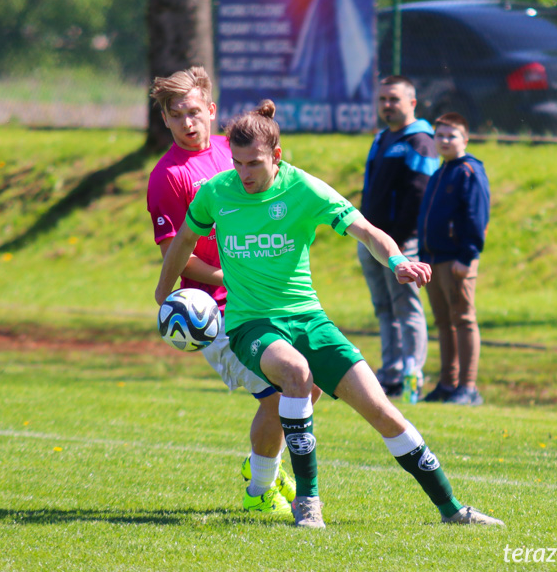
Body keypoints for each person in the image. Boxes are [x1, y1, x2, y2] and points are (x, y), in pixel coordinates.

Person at [155, 99, 504, 529]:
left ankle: (453, 509)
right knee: (296, 374)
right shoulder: (216, 192)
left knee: (384, 412)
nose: (244, 174)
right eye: (238, 163)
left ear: (277, 156)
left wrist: (396, 261)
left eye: (254, 164)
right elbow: (184, 240)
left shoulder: (303, 189)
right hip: (251, 325)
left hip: (309, 320)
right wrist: (162, 291)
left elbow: (367, 231)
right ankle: (308, 502)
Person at [146, 66, 322, 515]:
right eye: (176, 114)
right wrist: (229, 276)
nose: (188, 122)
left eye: (193, 111)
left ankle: (261, 468)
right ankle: (260, 491)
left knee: (309, 386)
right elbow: (178, 255)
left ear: (211, 109)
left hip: (267, 300)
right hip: (219, 310)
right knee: (284, 391)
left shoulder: (234, 151)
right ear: (165, 120)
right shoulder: (168, 177)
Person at [358, 75, 439, 398]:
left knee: (406, 308)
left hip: (401, 244)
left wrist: (402, 244)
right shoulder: (382, 139)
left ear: (412, 103)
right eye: (382, 100)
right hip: (371, 241)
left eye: (394, 99)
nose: (387, 105)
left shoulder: (420, 141)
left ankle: (411, 374)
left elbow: (419, 195)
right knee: (383, 307)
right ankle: (390, 374)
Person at [418, 113, 491, 405]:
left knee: (463, 319)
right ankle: (447, 384)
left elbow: (477, 216)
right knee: (443, 322)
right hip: (434, 260)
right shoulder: (440, 172)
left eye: (452, 135)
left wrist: (468, 254)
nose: (445, 140)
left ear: (465, 139)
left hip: (457, 260)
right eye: (440, 135)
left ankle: (468, 387)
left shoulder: (469, 171)